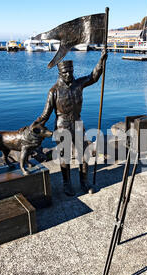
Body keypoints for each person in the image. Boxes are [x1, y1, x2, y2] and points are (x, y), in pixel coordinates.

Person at [33, 48, 108, 196]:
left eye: (71, 72)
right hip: (62, 125)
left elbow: (93, 77)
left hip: (78, 123)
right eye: (65, 73)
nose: (69, 75)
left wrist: (101, 60)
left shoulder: (78, 84)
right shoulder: (53, 91)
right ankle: (67, 184)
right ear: (60, 73)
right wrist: (34, 125)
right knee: (64, 156)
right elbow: (45, 114)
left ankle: (84, 182)